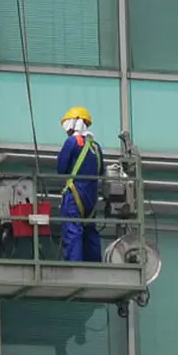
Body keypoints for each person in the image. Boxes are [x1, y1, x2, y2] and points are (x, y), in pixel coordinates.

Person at [56, 106, 104, 263]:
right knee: (90, 230)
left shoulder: (72, 142)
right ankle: (95, 265)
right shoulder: (96, 147)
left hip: (75, 192)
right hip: (92, 195)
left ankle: (74, 267)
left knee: (73, 230)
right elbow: (101, 171)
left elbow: (61, 168)